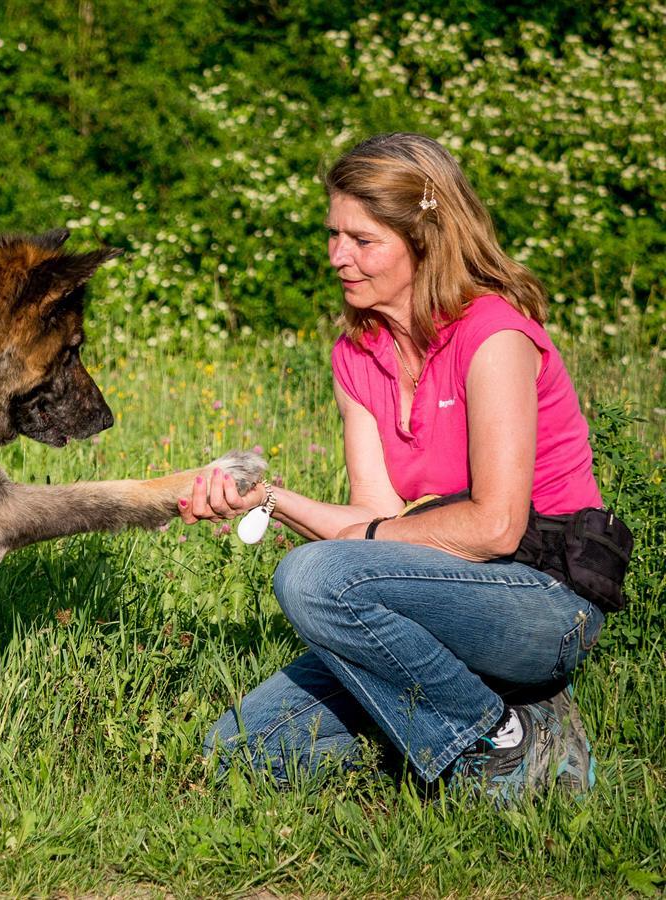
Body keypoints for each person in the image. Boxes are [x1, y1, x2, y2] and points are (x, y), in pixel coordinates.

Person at [182, 132, 605, 800]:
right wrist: (268, 498)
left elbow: (495, 527)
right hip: (435, 601)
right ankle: (493, 726)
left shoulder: (493, 334)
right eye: (332, 234)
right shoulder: (358, 355)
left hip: (540, 602)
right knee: (239, 751)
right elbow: (377, 518)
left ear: (426, 239)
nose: (337, 257)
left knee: (312, 577)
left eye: (362, 240)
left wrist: (364, 543)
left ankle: (505, 739)